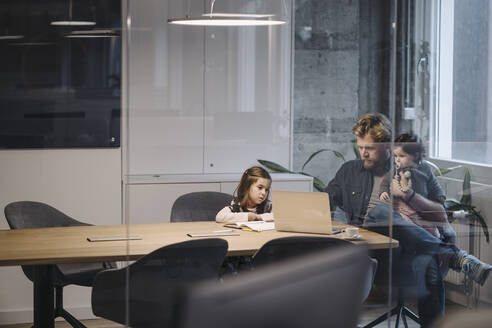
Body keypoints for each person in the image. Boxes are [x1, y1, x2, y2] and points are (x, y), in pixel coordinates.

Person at [325, 113, 491, 327]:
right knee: (379, 213)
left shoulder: (415, 171)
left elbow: (440, 216)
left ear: (388, 147)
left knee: (428, 265)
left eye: (370, 148)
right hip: (374, 253)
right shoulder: (349, 171)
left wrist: (408, 196)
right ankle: (454, 256)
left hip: (410, 249)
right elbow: (323, 202)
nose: (363, 153)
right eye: (360, 146)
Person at [379, 133, 446, 238]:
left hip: (421, 208)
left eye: (401, 156)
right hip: (403, 208)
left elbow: (434, 185)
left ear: (415, 156)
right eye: (395, 156)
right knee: (410, 224)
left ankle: (437, 243)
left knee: (437, 231)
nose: (397, 160)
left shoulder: (425, 168)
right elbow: (386, 182)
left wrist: (439, 195)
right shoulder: (396, 169)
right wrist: (383, 192)